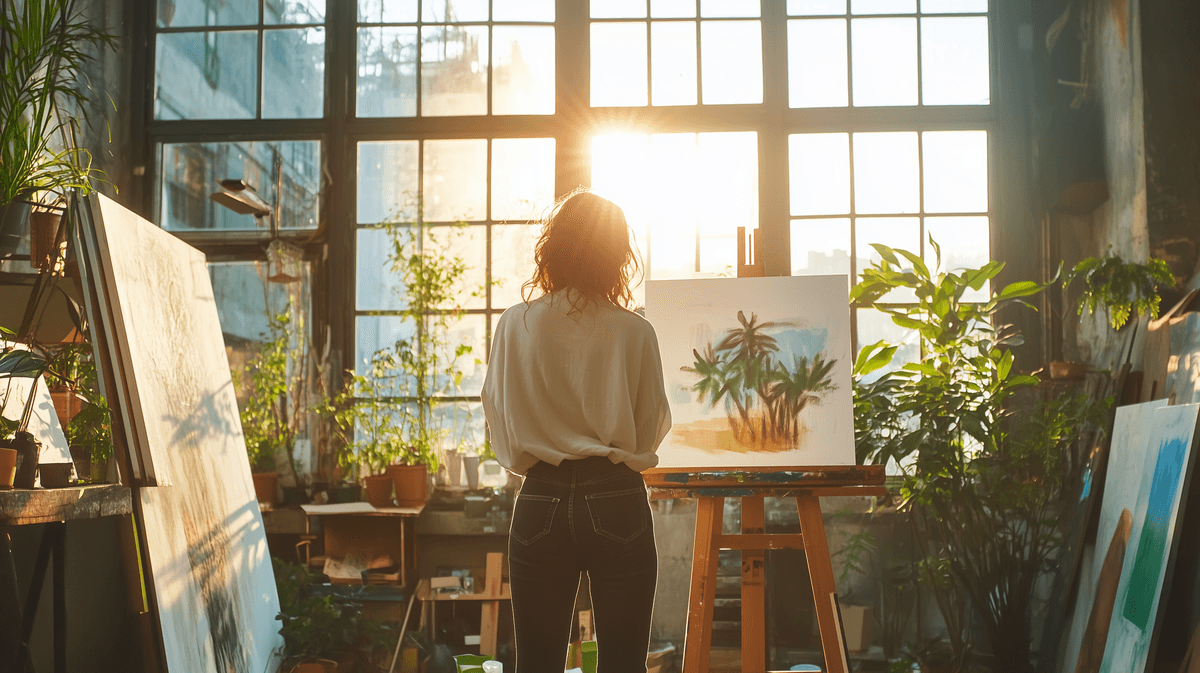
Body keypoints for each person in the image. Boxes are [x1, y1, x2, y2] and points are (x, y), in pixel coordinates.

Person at [481, 190, 672, 673]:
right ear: (617, 255)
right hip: (616, 497)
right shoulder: (635, 331)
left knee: (537, 665)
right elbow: (649, 431)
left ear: (553, 247)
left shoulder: (514, 325)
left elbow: (497, 416)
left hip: (540, 496)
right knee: (624, 665)